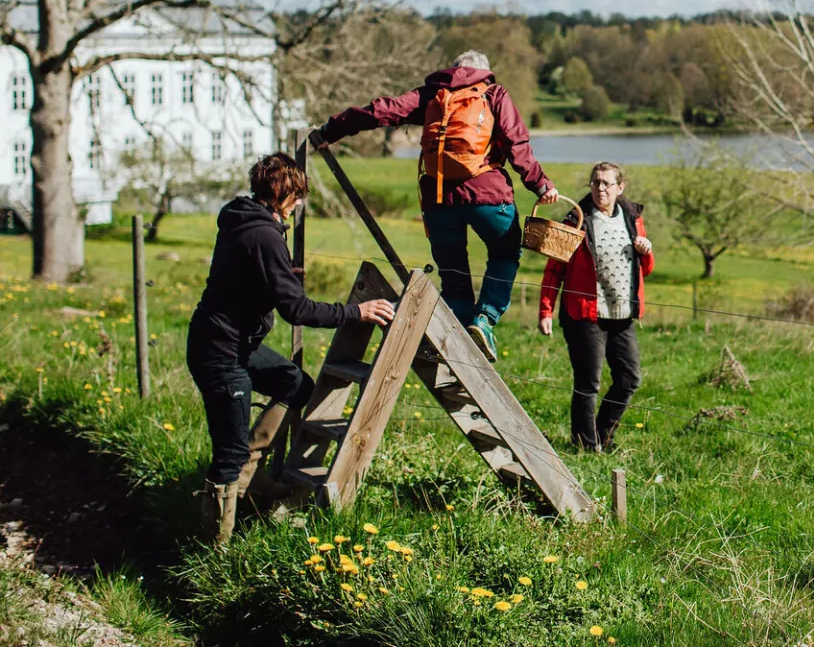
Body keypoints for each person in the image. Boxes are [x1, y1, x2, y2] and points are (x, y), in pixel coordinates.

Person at [188, 154, 395, 544]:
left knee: (296, 385)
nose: (299, 205)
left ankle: (257, 481)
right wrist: (357, 312)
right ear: (283, 195)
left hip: (232, 343)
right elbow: (295, 311)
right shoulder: (265, 235)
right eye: (296, 197)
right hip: (221, 353)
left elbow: (248, 271)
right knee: (228, 455)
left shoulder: (241, 217)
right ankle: (215, 549)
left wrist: (279, 275)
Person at [315, 50, 559, 361]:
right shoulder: (493, 93)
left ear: (455, 69)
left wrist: (331, 130)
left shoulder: (434, 95)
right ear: (484, 72)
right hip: (488, 195)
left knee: (453, 270)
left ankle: (455, 339)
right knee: (505, 252)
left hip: (439, 199)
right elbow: (517, 143)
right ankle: (484, 320)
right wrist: (540, 184)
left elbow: (382, 111)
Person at [538, 162, 655, 451]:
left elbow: (645, 270)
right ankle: (585, 446)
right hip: (583, 315)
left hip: (621, 314)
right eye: (595, 183)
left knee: (629, 379)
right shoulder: (573, 219)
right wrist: (545, 310)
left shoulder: (632, 218)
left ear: (620, 187)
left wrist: (647, 253)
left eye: (606, 183)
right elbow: (554, 268)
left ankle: (602, 435)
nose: (599, 188)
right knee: (588, 383)